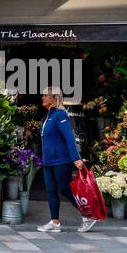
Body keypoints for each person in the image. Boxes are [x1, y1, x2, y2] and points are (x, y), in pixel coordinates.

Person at [37, 87, 95, 234]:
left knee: (64, 188)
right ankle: (55, 222)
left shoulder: (60, 115)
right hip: (48, 161)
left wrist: (76, 158)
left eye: (45, 95)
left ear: (54, 98)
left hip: (61, 160)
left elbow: (69, 137)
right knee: (50, 190)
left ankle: (88, 216)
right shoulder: (48, 117)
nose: (42, 97)